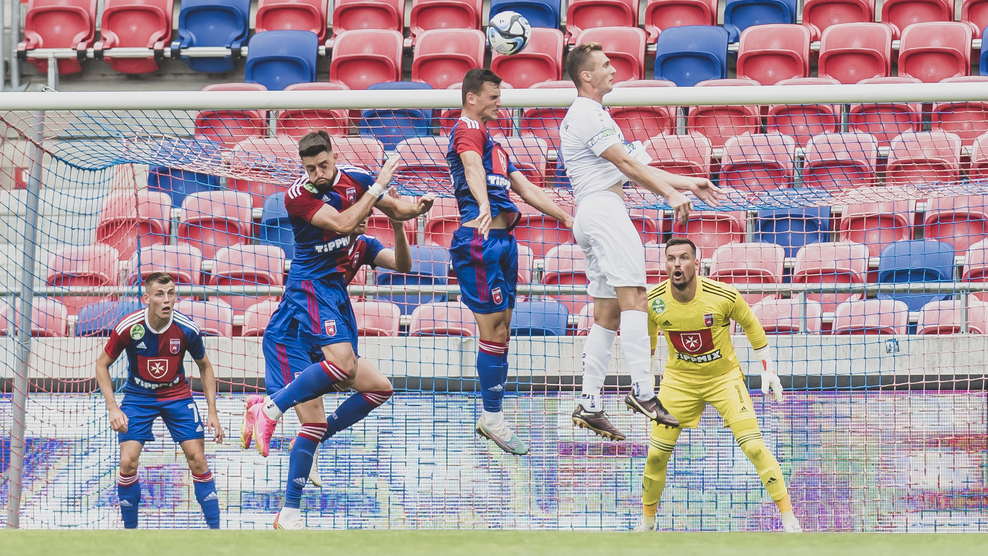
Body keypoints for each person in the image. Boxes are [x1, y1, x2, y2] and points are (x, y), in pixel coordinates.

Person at [241, 131, 434, 529]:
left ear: (334, 156)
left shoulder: (361, 229)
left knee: (378, 388)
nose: (317, 173)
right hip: (298, 320)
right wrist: (378, 188)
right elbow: (346, 220)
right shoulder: (298, 196)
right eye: (310, 167)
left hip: (329, 306)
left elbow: (400, 243)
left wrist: (411, 213)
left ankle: (293, 448)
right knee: (323, 403)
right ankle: (272, 420)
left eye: (323, 165)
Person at [560, 43, 724, 440]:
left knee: (607, 313)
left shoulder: (595, 115)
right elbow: (625, 164)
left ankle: (590, 402)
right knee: (635, 297)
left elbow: (636, 166)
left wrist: (688, 182)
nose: (613, 69)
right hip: (605, 212)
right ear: (586, 75)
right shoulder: (586, 114)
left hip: (592, 212)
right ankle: (644, 392)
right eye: (605, 64)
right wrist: (670, 194)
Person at [447, 68, 574, 455]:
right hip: (479, 241)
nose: (499, 103)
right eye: (493, 97)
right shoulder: (467, 128)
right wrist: (483, 203)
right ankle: (492, 418)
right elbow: (471, 166)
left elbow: (528, 189)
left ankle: (493, 417)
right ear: (471, 98)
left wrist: (566, 217)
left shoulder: (497, 146)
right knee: (492, 332)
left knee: (502, 332)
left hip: (504, 242)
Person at [635, 238, 801, 533]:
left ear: (696, 264)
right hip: (678, 383)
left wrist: (768, 369)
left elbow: (752, 324)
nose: (677, 264)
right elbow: (647, 339)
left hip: (724, 380)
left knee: (754, 447)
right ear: (665, 264)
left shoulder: (723, 295)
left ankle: (789, 519)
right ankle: (647, 524)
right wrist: (644, 378)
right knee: (656, 454)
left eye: (684, 257)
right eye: (671, 258)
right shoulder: (653, 300)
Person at [242, 212, 412, 489]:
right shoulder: (320, 241)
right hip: (292, 336)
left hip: (324, 335)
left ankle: (272, 407)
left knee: (379, 388)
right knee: (314, 424)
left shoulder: (364, 245)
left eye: (368, 209)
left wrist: (397, 225)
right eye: (358, 207)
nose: (366, 214)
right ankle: (290, 508)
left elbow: (402, 265)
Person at [95, 272, 225, 529]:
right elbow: (102, 365)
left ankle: (216, 532)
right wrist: (113, 408)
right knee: (127, 462)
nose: (167, 300)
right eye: (160, 294)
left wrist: (213, 411)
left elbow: (205, 367)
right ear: (146, 298)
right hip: (138, 396)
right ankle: (130, 533)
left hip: (177, 394)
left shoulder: (186, 328)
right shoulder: (129, 327)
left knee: (198, 459)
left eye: (171, 293)